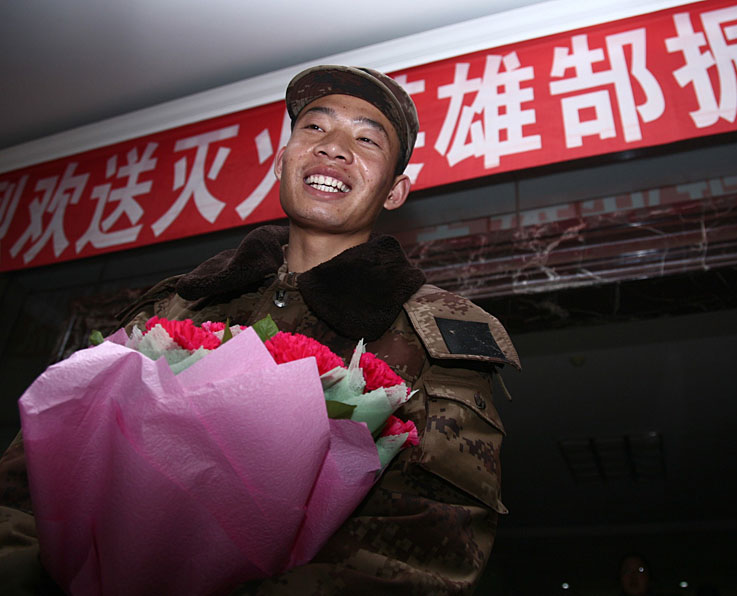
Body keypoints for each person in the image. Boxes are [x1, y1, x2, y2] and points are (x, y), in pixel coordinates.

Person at [0, 65, 520, 595]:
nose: (333, 148)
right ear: (280, 162)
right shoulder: (179, 304)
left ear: (395, 191)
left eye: (366, 139)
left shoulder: (433, 328)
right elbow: (36, 475)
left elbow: (430, 539)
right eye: (314, 128)